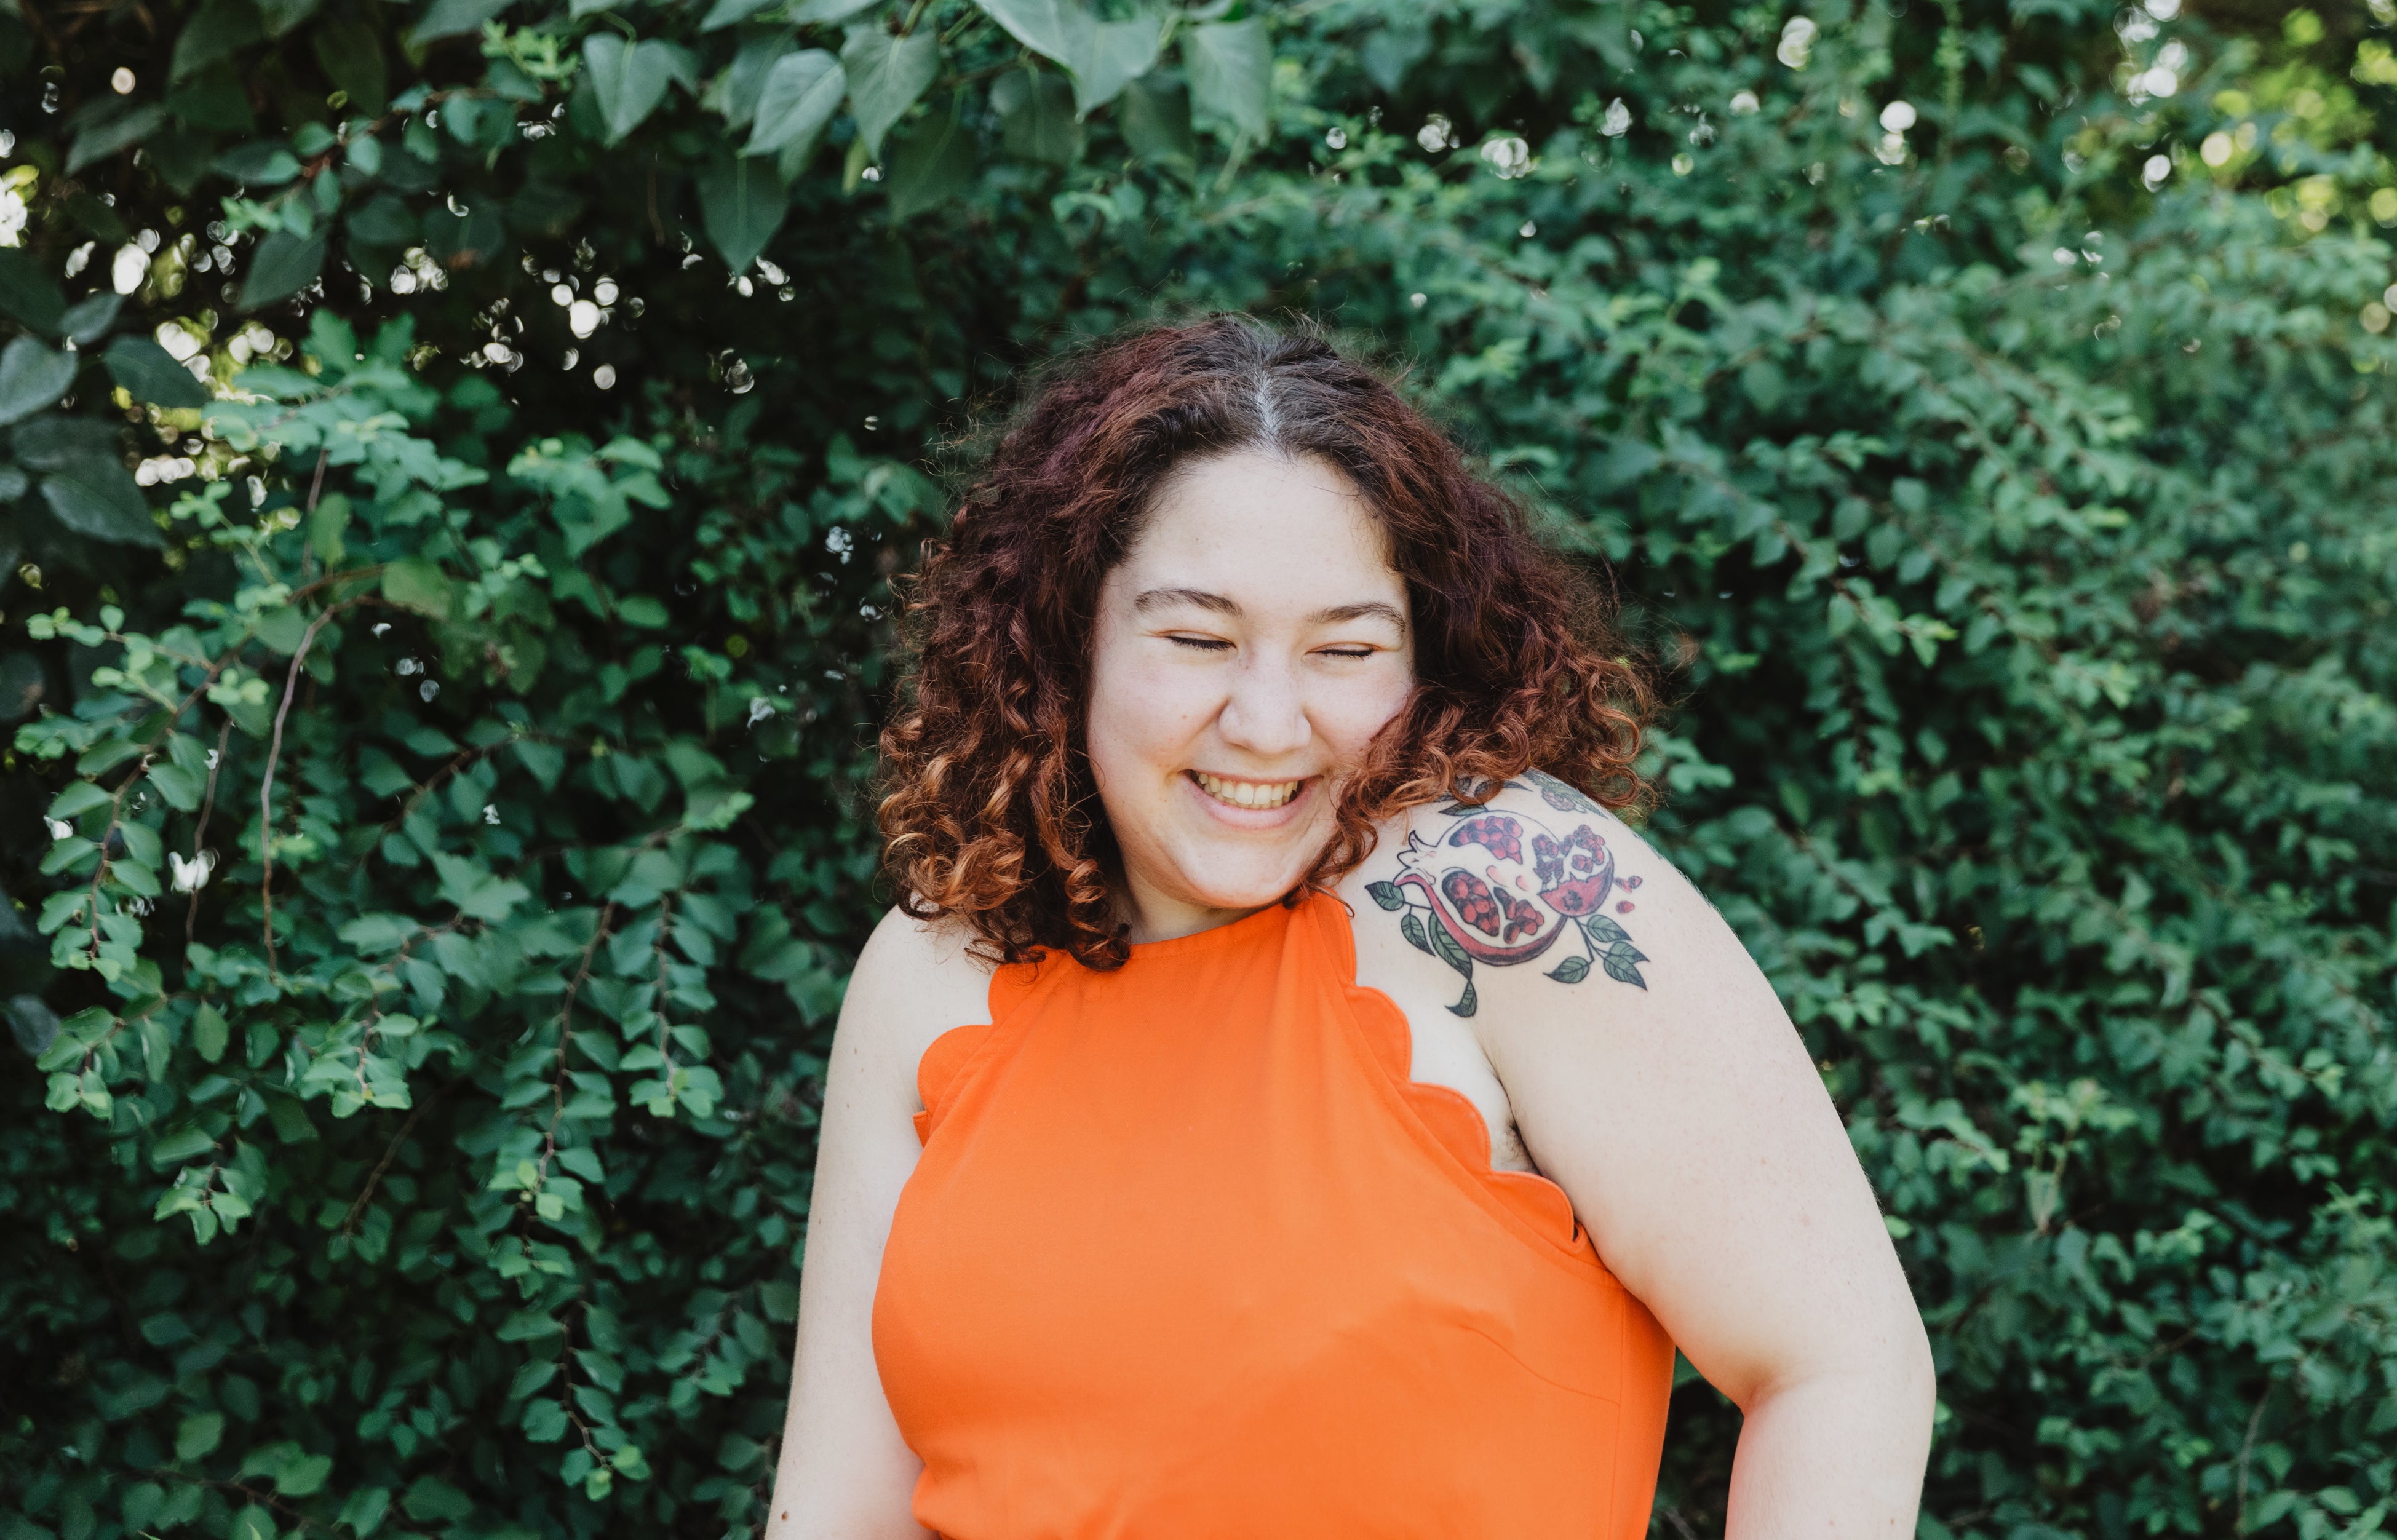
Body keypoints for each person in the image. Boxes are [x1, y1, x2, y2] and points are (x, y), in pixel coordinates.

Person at [771, 316, 1934, 1538]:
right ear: (1069, 636)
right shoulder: (929, 967)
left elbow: (1838, 1365)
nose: (1270, 723)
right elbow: (839, 1511)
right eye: (1196, 639)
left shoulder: (1506, 888)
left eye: (1344, 648)